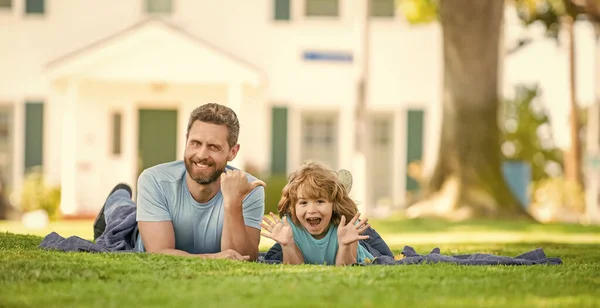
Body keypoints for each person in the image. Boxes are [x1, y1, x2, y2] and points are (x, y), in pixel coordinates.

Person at [93, 103, 266, 261]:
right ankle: (116, 197)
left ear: (233, 152)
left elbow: (244, 258)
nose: (201, 155)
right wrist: (213, 258)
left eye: (213, 147)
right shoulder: (154, 179)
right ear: (186, 140)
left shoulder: (248, 189)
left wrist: (233, 203)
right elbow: (159, 252)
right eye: (195, 143)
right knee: (122, 213)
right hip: (133, 231)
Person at [260, 162, 392, 266]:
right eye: (303, 203)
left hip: (363, 252)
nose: (311, 210)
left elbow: (346, 267)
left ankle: (339, 194)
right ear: (293, 207)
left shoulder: (346, 226)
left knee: (388, 257)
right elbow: (296, 266)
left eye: (320, 201)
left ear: (333, 204)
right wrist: (287, 244)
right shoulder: (291, 228)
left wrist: (345, 245)